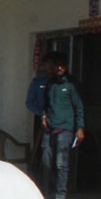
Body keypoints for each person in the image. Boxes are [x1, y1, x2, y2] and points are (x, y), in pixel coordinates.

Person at [40, 51, 85, 199]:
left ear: (65, 67)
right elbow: (45, 104)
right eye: (55, 65)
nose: (58, 68)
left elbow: (78, 107)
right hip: (50, 128)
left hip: (65, 129)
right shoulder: (50, 83)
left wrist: (80, 128)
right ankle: (48, 192)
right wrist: (44, 116)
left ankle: (60, 196)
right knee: (46, 161)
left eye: (61, 65)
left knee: (61, 163)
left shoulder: (71, 84)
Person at [26, 51, 60, 190]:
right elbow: (29, 102)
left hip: (60, 122)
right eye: (47, 64)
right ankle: (43, 185)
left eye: (52, 64)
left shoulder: (62, 81)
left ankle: (57, 187)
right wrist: (41, 114)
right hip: (42, 121)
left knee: (59, 157)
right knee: (42, 154)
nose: (50, 67)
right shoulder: (38, 82)